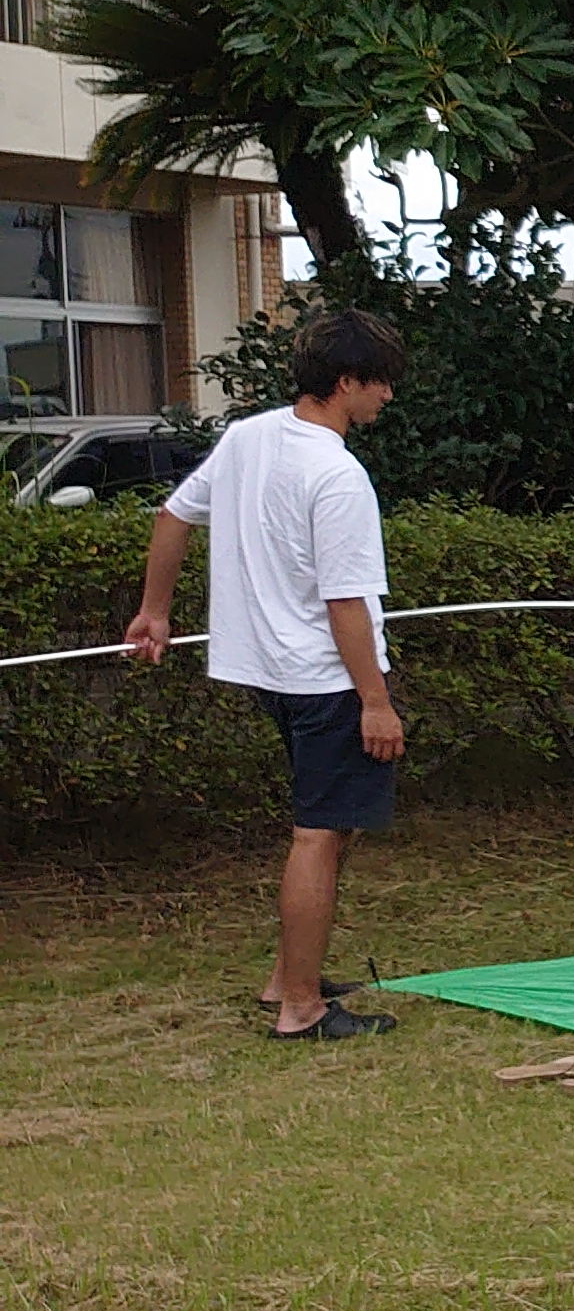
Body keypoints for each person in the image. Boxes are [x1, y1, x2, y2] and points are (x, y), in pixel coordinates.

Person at [123, 308, 409, 1040]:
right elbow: (345, 601)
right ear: (346, 383)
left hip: (267, 673)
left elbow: (172, 516)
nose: (387, 397)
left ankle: (290, 977)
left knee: (332, 825)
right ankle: (301, 1011)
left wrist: (154, 612)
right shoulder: (338, 475)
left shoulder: (248, 436)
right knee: (317, 833)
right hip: (324, 679)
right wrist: (374, 701)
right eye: (380, 384)